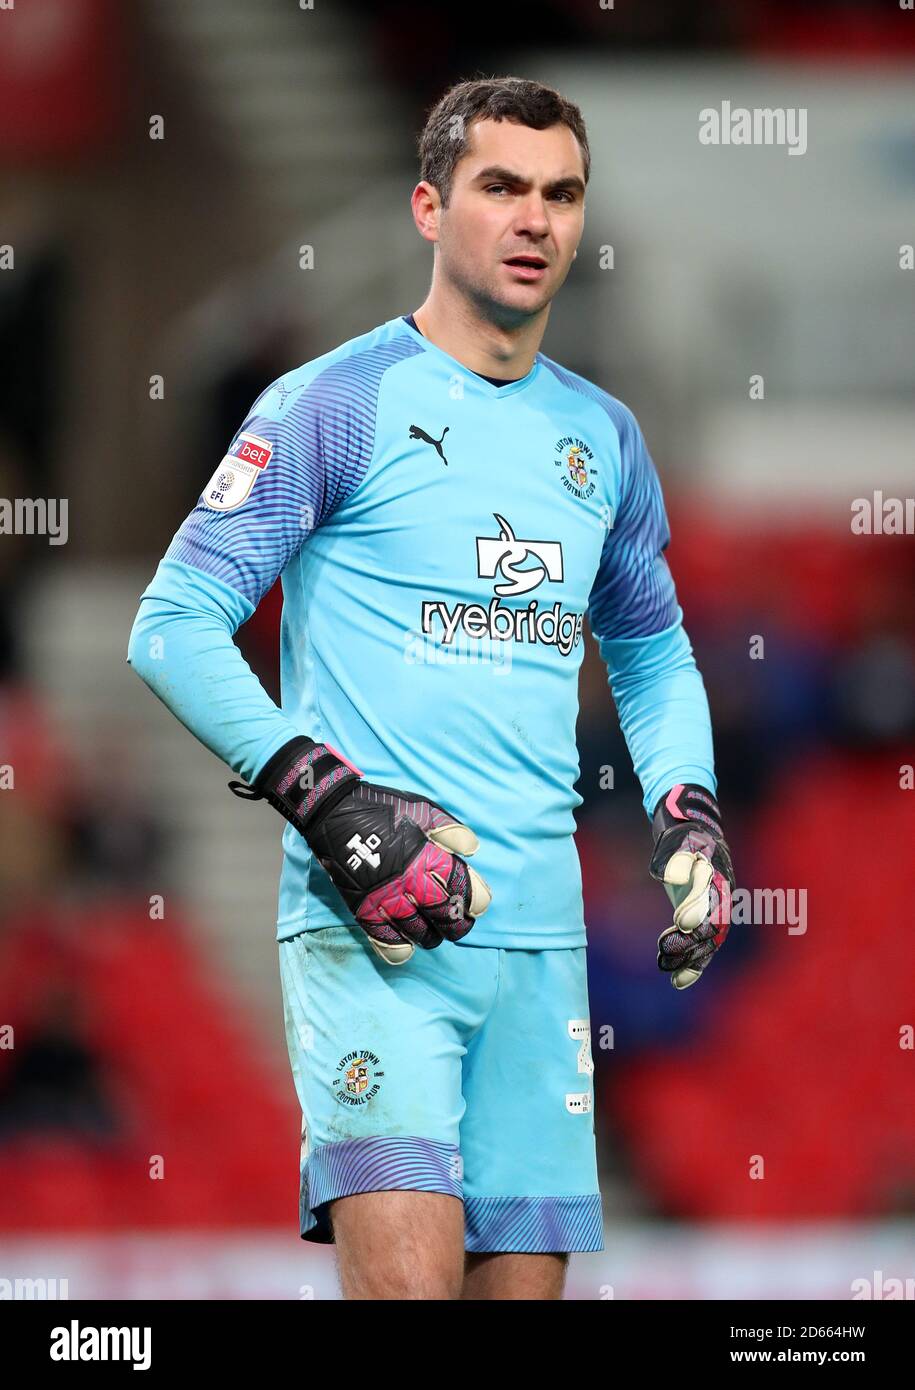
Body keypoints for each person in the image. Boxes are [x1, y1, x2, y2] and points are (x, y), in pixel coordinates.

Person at [127, 75, 734, 1301]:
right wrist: (331, 803)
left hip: (541, 943)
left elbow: (656, 648)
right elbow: (172, 624)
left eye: (560, 194)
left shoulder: (605, 439)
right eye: (500, 187)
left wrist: (689, 804)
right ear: (426, 207)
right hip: (376, 933)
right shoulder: (333, 406)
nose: (534, 220)